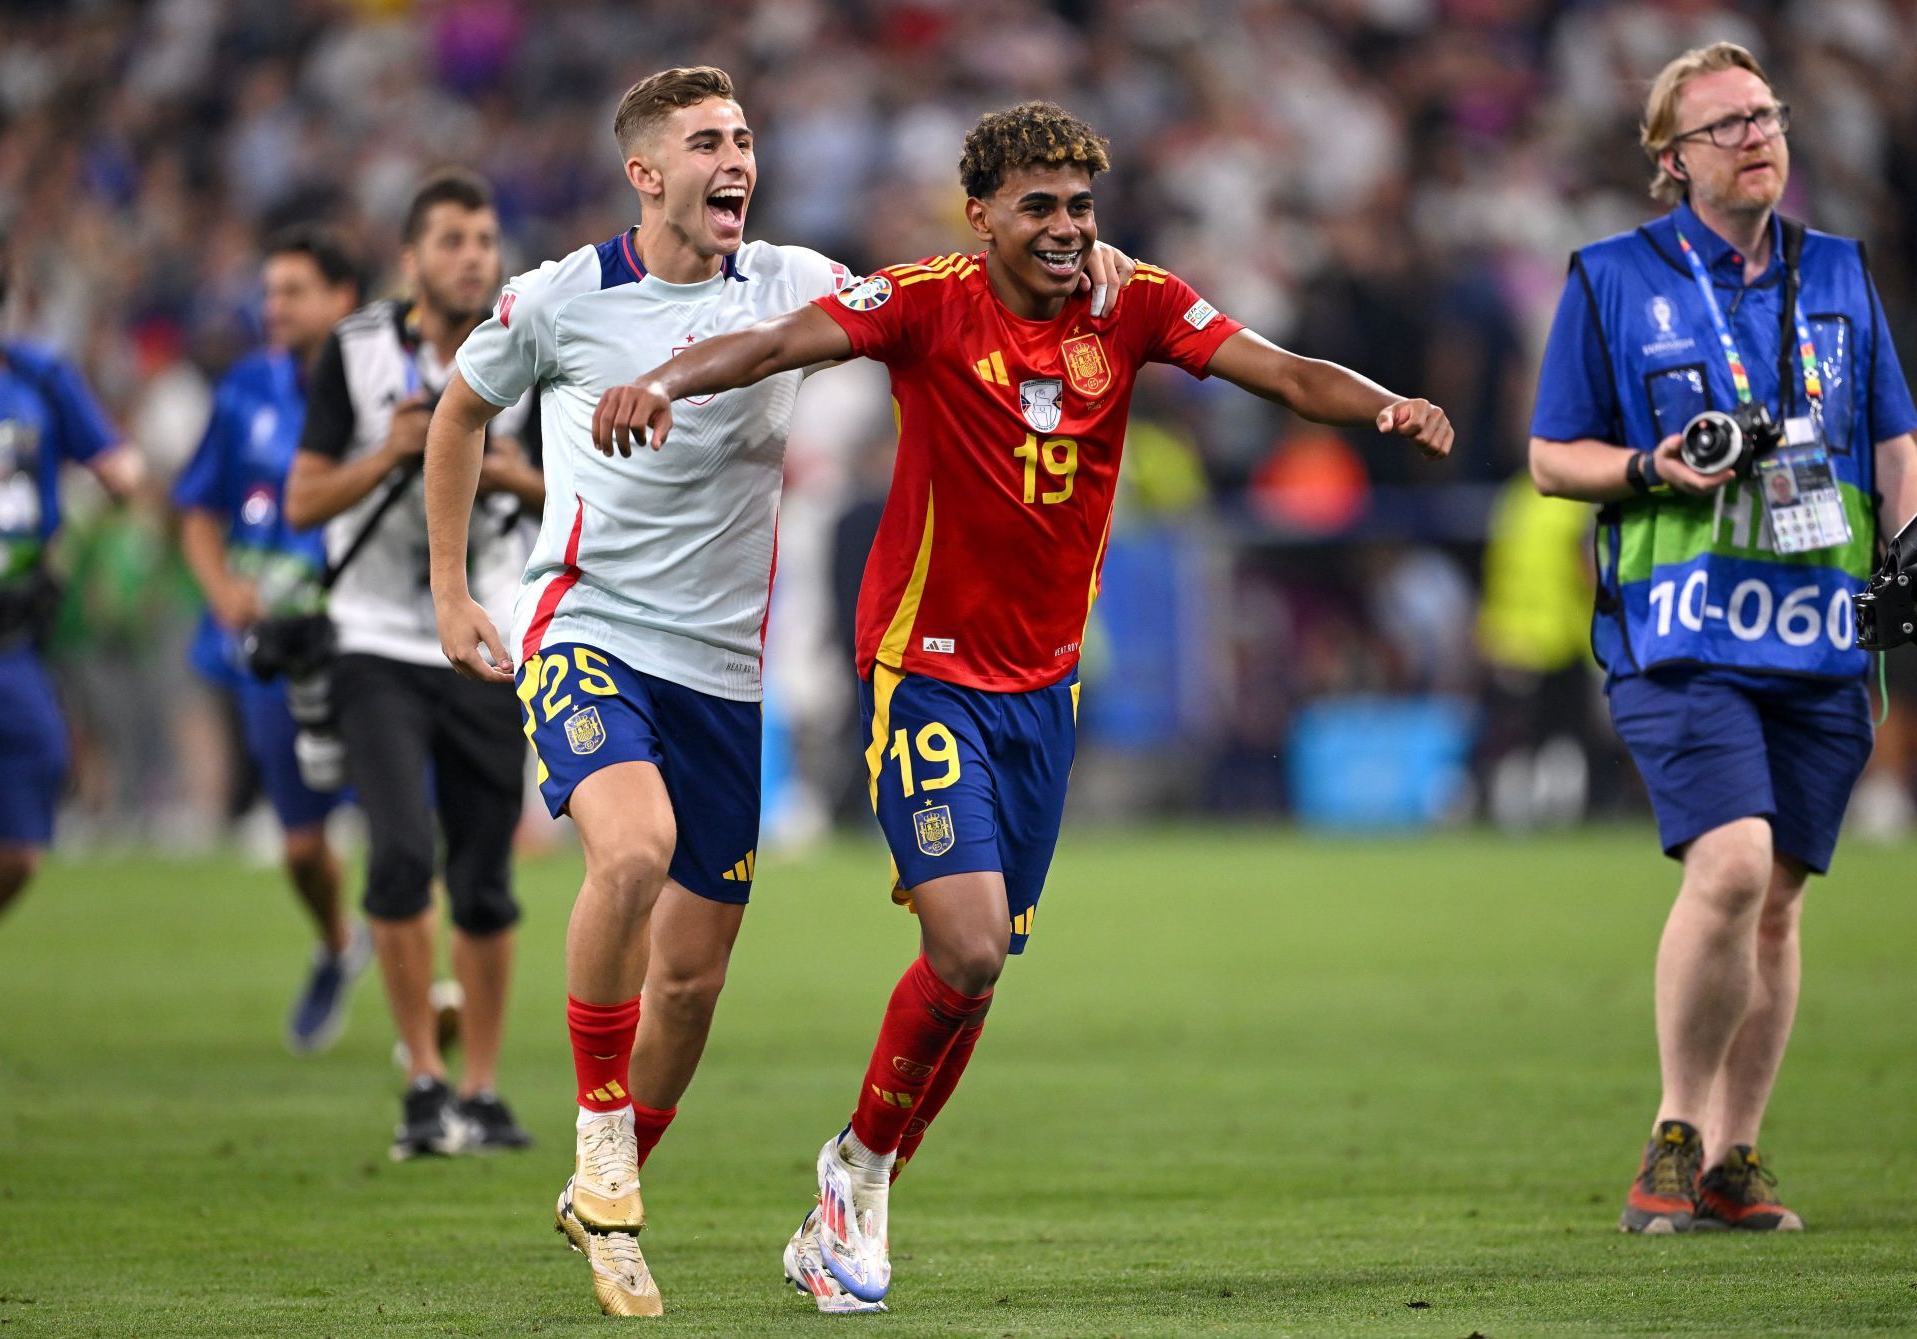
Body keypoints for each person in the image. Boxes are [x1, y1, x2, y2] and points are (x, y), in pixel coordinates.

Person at [591, 99, 1451, 1311]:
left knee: (976, 975)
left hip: (1042, 689)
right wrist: (664, 379)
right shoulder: (926, 299)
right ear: (981, 212)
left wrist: (1381, 407)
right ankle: (857, 1189)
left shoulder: (1134, 298)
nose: (1066, 230)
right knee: (969, 940)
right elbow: (781, 343)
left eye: (1081, 208)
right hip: (924, 670)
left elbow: (1279, 370)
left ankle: (860, 1167)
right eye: (1039, 207)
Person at [427, 68, 1136, 1318]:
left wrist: (1088, 251)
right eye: (707, 140)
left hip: (723, 673)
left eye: (745, 136)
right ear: (647, 173)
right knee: (631, 851)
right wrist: (449, 589)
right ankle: (599, 1140)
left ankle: (612, 1195)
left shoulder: (796, 279)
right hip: (587, 629)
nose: (735, 156)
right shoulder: (557, 300)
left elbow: (959, 279)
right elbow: (461, 411)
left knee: (693, 980)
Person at [1528, 43, 1917, 1234]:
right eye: (1727, 125)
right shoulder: (1609, 280)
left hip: (1820, 630)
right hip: (1680, 631)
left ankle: (1738, 1160)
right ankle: (1676, 1133)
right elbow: (1553, 458)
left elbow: (1893, 433)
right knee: (1735, 864)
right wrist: (1652, 465)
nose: (1758, 136)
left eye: (1767, 116)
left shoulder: (1841, 272)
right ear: (1671, 162)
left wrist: (1908, 545)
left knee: (1782, 901)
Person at [285, 169, 544, 1160]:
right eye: (451, 240)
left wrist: (499, 464)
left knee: (484, 875)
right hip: (377, 638)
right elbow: (306, 500)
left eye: (484, 238)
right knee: (398, 854)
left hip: (490, 633)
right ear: (410, 259)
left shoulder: (533, 342)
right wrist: (392, 454)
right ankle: (421, 1081)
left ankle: (478, 1089)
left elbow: (579, 482)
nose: (472, 255)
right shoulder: (353, 354)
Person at [172, 225, 371, 1052]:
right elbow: (197, 506)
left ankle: (435, 1034)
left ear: (342, 300)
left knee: (408, 838)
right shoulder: (244, 391)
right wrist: (221, 590)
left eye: (292, 291)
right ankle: (337, 943)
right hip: (277, 654)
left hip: (368, 643)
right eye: (270, 291)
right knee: (298, 846)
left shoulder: (384, 391)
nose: (272, 307)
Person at [0, 231, 145, 921]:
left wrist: (109, 483)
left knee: (24, 840)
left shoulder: (39, 377)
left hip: (14, 632)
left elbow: (120, 467)